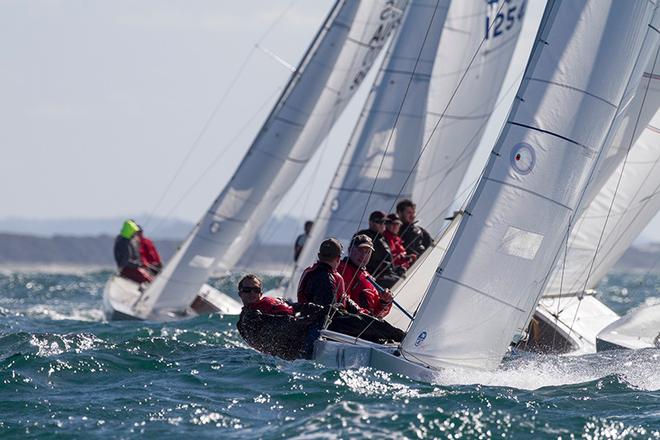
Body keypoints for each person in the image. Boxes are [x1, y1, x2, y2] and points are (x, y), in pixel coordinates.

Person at [236, 274, 325, 360]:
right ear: (240, 293)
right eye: (247, 290)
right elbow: (282, 324)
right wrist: (311, 318)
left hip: (302, 333)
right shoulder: (249, 319)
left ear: (260, 293)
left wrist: (317, 308)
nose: (252, 293)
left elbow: (294, 307)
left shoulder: (273, 301)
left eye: (256, 290)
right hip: (296, 353)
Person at [337, 234, 394, 318]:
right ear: (350, 250)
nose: (363, 256)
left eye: (367, 252)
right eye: (360, 250)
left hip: (366, 323)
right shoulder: (343, 269)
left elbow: (377, 314)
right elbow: (343, 302)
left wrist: (384, 301)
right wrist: (366, 316)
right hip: (352, 323)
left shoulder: (367, 276)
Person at [356, 211, 402, 288]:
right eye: (379, 222)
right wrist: (379, 266)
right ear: (370, 222)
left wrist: (397, 268)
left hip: (386, 274)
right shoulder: (364, 236)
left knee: (405, 278)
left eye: (385, 222)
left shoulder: (383, 238)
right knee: (398, 282)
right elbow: (357, 258)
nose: (383, 225)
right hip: (371, 277)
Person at [113, 219, 153, 284]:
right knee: (148, 280)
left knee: (149, 277)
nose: (135, 233)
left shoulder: (125, 240)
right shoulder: (123, 243)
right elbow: (125, 261)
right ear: (130, 231)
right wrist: (138, 265)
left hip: (130, 268)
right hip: (127, 269)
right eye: (134, 231)